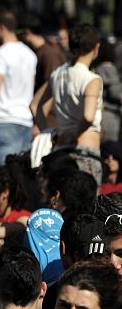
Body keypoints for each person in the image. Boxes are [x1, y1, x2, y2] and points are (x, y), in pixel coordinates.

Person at [36, 23, 104, 187]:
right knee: (88, 207)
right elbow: (88, 116)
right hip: (85, 150)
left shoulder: (57, 75)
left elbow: (36, 107)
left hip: (60, 150)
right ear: (96, 47)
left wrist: (48, 132)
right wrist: (75, 134)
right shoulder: (91, 79)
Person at [0, 10, 37, 164]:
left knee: (2, 174)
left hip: (3, 118)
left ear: (1, 27)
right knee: (20, 174)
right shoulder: (30, 54)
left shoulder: (0, 54)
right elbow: (32, 86)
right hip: (25, 119)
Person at [95, 40, 121, 142]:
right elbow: (115, 92)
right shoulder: (108, 68)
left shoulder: (97, 68)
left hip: (101, 114)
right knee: (110, 148)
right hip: (110, 115)